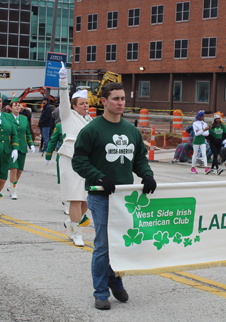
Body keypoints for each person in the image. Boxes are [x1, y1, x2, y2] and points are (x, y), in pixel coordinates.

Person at [72, 80, 156, 310]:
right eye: (115, 99)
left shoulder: (131, 130)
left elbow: (139, 159)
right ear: (103, 101)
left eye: (123, 99)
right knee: (103, 244)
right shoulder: (91, 130)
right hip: (100, 195)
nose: (120, 103)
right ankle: (100, 292)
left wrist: (146, 175)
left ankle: (114, 277)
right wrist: (98, 177)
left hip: (124, 197)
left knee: (120, 242)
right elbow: (78, 161)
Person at [57, 64, 92, 247]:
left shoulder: (90, 120)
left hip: (88, 163)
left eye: (86, 103)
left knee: (88, 198)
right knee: (76, 197)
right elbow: (63, 98)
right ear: (74, 105)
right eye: (82, 103)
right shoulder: (68, 115)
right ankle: (77, 232)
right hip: (70, 159)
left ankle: (71, 223)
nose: (85, 106)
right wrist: (63, 81)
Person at [7, 98, 35, 199]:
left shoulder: (23, 119)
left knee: (19, 170)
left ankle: (12, 185)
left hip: (22, 146)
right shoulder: (7, 117)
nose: (18, 107)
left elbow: (27, 133)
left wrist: (31, 143)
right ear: (11, 108)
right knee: (13, 169)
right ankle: (14, 190)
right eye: (15, 105)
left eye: (19, 105)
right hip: (11, 147)